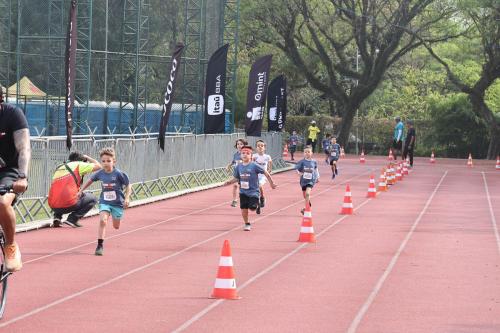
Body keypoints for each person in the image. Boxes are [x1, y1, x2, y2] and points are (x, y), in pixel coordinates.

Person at [79, 147, 131, 256]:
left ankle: (116, 217)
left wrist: (127, 198)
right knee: (103, 221)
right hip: (105, 202)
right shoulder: (100, 173)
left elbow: (128, 185)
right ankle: (99, 246)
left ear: (114, 161)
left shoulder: (119, 174)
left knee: (116, 226)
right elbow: (90, 180)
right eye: (103, 161)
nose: (105, 163)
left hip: (117, 203)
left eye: (108, 161)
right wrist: (81, 190)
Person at [0, 90, 30, 272]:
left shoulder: (12, 114)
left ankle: (10, 245)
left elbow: (24, 148)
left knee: (2, 202)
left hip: (10, 172)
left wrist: (22, 176)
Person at [224, 145, 277, 231]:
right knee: (244, 209)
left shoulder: (254, 165)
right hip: (243, 192)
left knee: (252, 208)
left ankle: (257, 203)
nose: (245, 155)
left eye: (247, 153)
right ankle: (247, 223)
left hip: (253, 191)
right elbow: (237, 178)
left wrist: (271, 183)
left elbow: (266, 173)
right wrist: (229, 182)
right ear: (240, 155)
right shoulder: (238, 167)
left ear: (251, 156)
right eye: (243, 153)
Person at [49, 151, 101, 228]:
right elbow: (99, 166)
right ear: (81, 160)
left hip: (53, 205)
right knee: (93, 199)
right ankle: (72, 219)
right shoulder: (78, 164)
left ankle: (57, 217)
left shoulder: (60, 167)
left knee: (60, 193)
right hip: (69, 204)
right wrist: (87, 157)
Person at [295, 145, 320, 214]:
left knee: (307, 194)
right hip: (303, 181)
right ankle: (307, 206)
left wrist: (318, 176)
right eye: (305, 152)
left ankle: (307, 210)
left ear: (311, 153)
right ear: (303, 153)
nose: (307, 153)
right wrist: (298, 173)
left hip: (311, 180)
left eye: (308, 152)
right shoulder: (302, 162)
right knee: (305, 196)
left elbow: (316, 169)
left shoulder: (314, 161)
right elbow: (296, 168)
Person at [226, 138, 247, 207]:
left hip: (244, 173)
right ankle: (234, 200)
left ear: (244, 145)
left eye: (241, 144)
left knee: (243, 187)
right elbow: (233, 162)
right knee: (235, 186)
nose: (239, 145)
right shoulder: (236, 154)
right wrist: (228, 166)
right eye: (238, 144)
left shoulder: (246, 154)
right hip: (236, 173)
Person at [253, 140, 272, 209]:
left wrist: (268, 172)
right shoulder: (254, 156)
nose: (260, 147)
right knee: (256, 188)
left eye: (262, 146)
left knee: (259, 185)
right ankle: (260, 197)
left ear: (264, 148)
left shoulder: (267, 157)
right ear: (256, 148)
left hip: (263, 176)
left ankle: (260, 198)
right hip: (255, 175)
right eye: (258, 146)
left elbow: (270, 166)